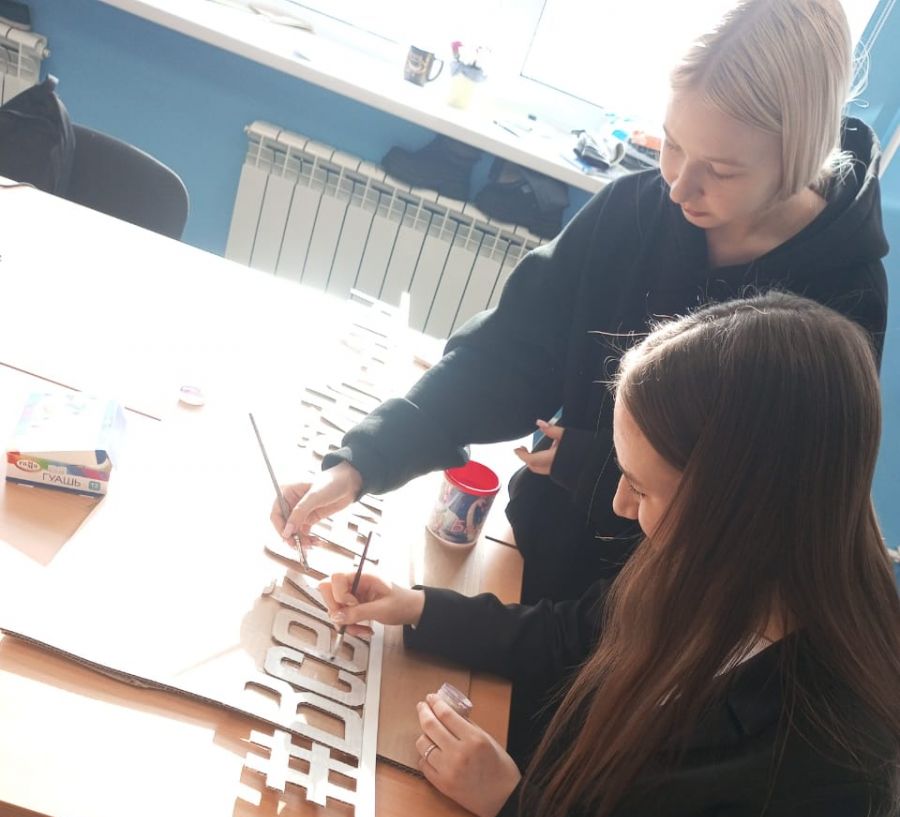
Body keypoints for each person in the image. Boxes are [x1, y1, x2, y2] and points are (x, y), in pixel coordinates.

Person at [215, 294, 900, 817]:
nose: (618, 503)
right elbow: (582, 631)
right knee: (324, 789)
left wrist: (509, 806)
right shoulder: (737, 565)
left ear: (741, 501)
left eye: (644, 487)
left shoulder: (831, 753)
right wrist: (419, 609)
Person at [274, 0, 889, 606]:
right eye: (673, 144)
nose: (679, 186)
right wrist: (364, 461)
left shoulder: (844, 296)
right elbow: (507, 356)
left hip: (665, 616)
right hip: (537, 553)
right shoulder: (631, 210)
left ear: (798, 155)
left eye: (721, 171)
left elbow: (773, 509)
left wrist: (600, 468)